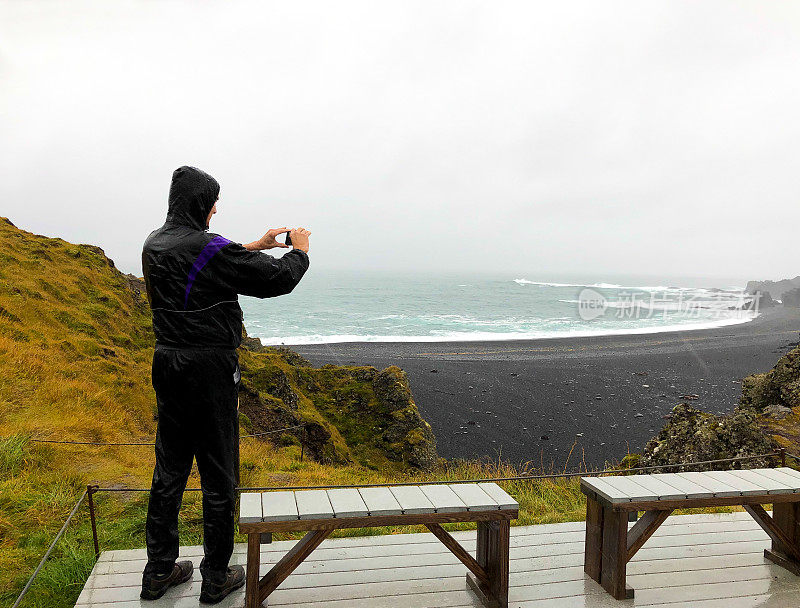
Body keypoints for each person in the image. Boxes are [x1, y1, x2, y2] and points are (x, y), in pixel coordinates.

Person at [139, 166, 310, 603]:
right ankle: (216, 576)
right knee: (218, 477)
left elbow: (206, 262)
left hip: (168, 363)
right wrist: (299, 252)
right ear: (204, 204)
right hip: (210, 370)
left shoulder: (154, 243)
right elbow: (276, 279)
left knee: (169, 471)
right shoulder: (209, 247)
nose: (216, 208)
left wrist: (255, 244)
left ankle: (158, 571)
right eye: (214, 201)